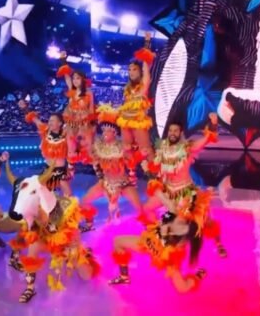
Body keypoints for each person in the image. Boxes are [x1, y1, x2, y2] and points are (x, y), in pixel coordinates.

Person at [7, 165, 100, 303]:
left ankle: (85, 255)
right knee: (33, 246)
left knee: (86, 275)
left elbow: (73, 231)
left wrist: (73, 248)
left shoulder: (64, 207)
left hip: (67, 243)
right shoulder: (30, 209)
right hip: (47, 241)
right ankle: (30, 288)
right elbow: (24, 230)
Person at [143, 113, 227, 257]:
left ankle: (218, 243)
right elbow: (157, 169)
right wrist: (147, 164)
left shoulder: (187, 147)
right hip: (168, 191)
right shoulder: (163, 149)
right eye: (170, 130)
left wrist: (213, 124)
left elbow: (207, 139)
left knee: (205, 219)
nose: (172, 133)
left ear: (181, 132)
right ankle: (160, 235)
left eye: (175, 131)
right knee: (146, 208)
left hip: (186, 192)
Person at [109, 187, 209, 293]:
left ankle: (199, 275)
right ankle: (124, 277)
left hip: (168, 256)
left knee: (182, 288)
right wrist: (158, 192)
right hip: (152, 242)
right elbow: (167, 202)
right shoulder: (176, 211)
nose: (182, 202)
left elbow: (171, 231)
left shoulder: (188, 227)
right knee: (118, 242)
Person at [79, 104, 144, 231]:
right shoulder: (99, 146)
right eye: (103, 130)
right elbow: (89, 148)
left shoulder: (122, 146)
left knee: (139, 207)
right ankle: (89, 223)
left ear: (114, 132)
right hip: (105, 184)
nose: (104, 133)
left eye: (107, 130)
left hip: (123, 184)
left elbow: (134, 154)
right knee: (84, 201)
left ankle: (146, 230)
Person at [117, 32, 156, 170]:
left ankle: (155, 177)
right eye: (129, 70)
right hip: (125, 121)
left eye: (134, 69)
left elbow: (146, 65)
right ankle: (131, 176)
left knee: (146, 150)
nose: (131, 72)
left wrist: (147, 43)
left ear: (140, 72)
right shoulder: (127, 89)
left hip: (139, 122)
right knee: (127, 149)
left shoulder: (144, 85)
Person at [18, 101, 71, 197]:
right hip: (47, 170)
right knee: (40, 195)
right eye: (49, 120)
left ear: (60, 123)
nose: (50, 122)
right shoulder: (45, 131)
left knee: (68, 195)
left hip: (60, 171)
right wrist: (25, 108)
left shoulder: (65, 134)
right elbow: (34, 119)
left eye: (53, 121)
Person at [57, 52, 95, 173]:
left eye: (77, 78)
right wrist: (63, 60)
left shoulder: (89, 93)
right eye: (74, 78)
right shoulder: (72, 91)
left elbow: (91, 109)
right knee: (71, 148)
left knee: (88, 148)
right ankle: (70, 172)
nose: (75, 80)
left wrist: (92, 124)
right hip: (72, 123)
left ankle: (98, 173)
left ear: (83, 79)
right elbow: (66, 76)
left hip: (84, 124)